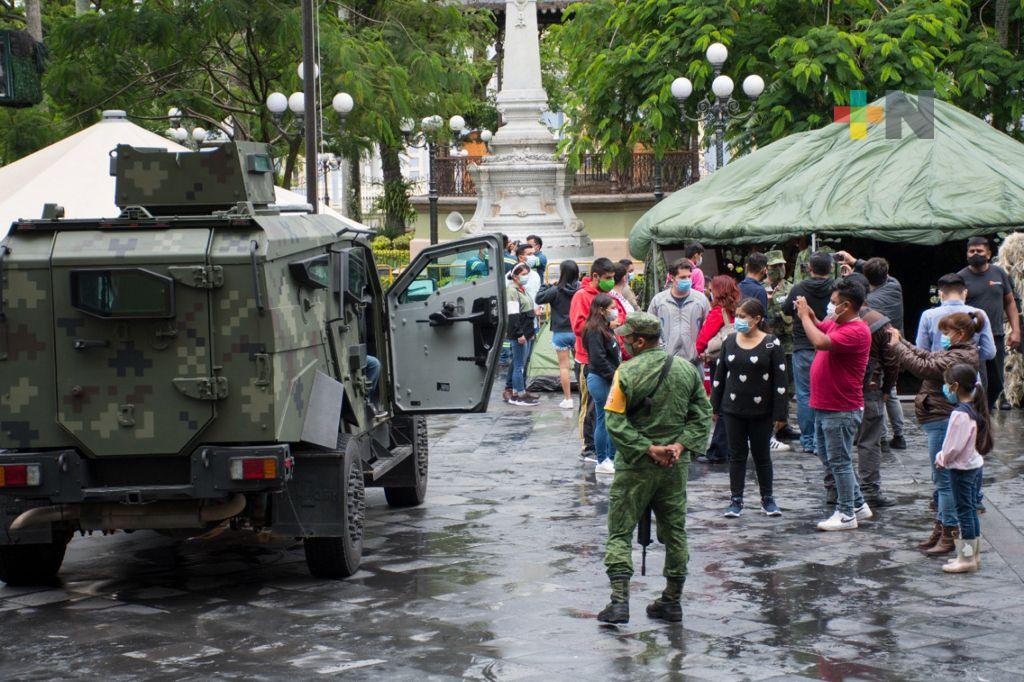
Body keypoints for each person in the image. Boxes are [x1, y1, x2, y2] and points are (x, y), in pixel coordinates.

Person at [597, 312, 712, 624]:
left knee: (620, 530)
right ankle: (672, 601)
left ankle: (619, 602)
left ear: (639, 340)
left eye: (626, 337)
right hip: (675, 466)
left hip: (635, 467)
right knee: (675, 532)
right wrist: (679, 446)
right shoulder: (687, 370)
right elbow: (702, 414)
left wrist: (646, 448)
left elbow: (614, 421)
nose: (622, 341)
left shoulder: (626, 372)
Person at [889, 312, 982, 555]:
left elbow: (924, 366)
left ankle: (949, 533)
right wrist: (902, 341)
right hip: (937, 415)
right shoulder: (958, 350)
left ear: (959, 334)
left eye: (946, 332)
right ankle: (941, 528)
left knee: (944, 481)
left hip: (941, 417)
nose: (942, 337)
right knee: (941, 481)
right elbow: (928, 355)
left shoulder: (961, 354)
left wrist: (897, 347)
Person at [795, 280, 873, 531]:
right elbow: (820, 325)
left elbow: (819, 340)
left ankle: (847, 513)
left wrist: (804, 319)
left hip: (841, 408)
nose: (831, 306)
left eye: (834, 302)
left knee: (839, 461)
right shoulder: (838, 323)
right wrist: (808, 314)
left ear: (847, 306)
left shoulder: (856, 330)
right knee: (829, 457)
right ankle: (859, 505)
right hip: (825, 404)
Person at [710, 299, 787, 518]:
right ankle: (736, 500)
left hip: (762, 411)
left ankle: (768, 499)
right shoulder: (730, 340)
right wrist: (714, 406)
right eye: (738, 315)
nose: (739, 320)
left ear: (756, 319)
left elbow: (780, 381)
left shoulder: (772, 344)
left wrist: (780, 414)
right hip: (732, 409)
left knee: (762, 455)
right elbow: (719, 376)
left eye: (743, 316)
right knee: (736, 455)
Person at [836, 252, 907, 449]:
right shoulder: (894, 286)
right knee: (890, 392)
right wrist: (857, 262)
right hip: (894, 344)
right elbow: (881, 273)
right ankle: (899, 436)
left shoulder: (867, 301)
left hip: (874, 351)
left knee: (875, 392)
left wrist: (850, 278)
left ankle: (881, 437)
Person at [935, 363, 991, 574]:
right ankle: (972, 555)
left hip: (962, 469)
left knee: (964, 512)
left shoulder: (960, 414)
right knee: (970, 511)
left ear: (955, 386)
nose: (945, 389)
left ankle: (966, 557)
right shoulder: (974, 408)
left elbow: (952, 447)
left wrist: (941, 457)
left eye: (947, 385)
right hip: (974, 465)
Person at [958, 237, 1021, 410]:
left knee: (997, 383)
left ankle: (985, 408)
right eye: (971, 251)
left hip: (996, 336)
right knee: (977, 381)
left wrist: (1016, 331)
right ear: (967, 254)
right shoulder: (960, 278)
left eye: (979, 251)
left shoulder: (999, 273)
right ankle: (979, 413)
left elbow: (1010, 303)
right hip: (971, 339)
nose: (975, 254)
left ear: (988, 254)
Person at [783, 252, 835, 454]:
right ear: (831, 268)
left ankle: (809, 440)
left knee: (804, 394)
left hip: (803, 346)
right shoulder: (836, 287)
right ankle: (824, 438)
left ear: (809, 269)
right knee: (828, 393)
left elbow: (787, 309)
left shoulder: (799, 288)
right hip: (829, 343)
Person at [848, 303, 899, 508]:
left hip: (841, 388)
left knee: (836, 440)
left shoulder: (833, 322)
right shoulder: (880, 323)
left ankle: (835, 488)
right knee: (869, 440)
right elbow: (891, 361)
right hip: (871, 387)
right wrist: (887, 388)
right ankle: (869, 490)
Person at [570, 259, 621, 460]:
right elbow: (578, 327)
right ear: (596, 276)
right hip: (587, 360)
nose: (610, 282)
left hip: (608, 359)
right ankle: (588, 446)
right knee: (589, 407)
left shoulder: (606, 297)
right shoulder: (581, 296)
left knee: (603, 412)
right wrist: (606, 327)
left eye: (613, 278)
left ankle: (604, 450)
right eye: (607, 278)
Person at [583, 294, 621, 475]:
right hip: (601, 380)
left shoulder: (604, 328)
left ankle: (611, 457)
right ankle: (602, 459)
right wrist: (615, 376)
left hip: (609, 379)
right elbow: (598, 359)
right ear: (601, 310)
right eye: (612, 307)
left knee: (610, 419)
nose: (615, 310)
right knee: (603, 419)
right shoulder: (594, 330)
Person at [916, 274, 996, 361]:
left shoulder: (928, 315)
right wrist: (969, 357)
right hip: (969, 371)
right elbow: (989, 352)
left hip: (938, 371)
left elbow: (921, 351)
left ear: (940, 294)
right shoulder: (979, 314)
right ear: (965, 292)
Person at [647, 259, 710, 367]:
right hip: (666, 363)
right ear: (672, 278)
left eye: (689, 276)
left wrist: (703, 350)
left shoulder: (701, 300)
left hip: (694, 362)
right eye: (682, 277)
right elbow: (649, 328)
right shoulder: (659, 301)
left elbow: (708, 327)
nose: (687, 280)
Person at [764, 250, 800, 442]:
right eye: (775, 266)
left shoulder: (791, 288)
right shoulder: (762, 288)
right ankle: (771, 423)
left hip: (787, 345)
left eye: (781, 265)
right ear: (767, 268)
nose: (779, 269)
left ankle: (783, 423)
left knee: (788, 386)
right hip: (768, 345)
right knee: (769, 385)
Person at [536, 260, 580, 409]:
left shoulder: (555, 290)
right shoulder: (580, 289)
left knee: (564, 367)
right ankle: (584, 396)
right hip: (577, 332)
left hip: (560, 333)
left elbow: (539, 298)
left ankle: (568, 400)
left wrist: (547, 285)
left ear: (562, 273)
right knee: (581, 365)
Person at [504, 263, 538, 406]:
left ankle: (519, 391)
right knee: (519, 365)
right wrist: (520, 334)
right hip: (520, 333)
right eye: (523, 274)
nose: (526, 277)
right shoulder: (512, 290)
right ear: (515, 276)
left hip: (527, 332)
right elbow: (513, 315)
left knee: (522, 363)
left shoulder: (521, 289)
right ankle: (518, 395)